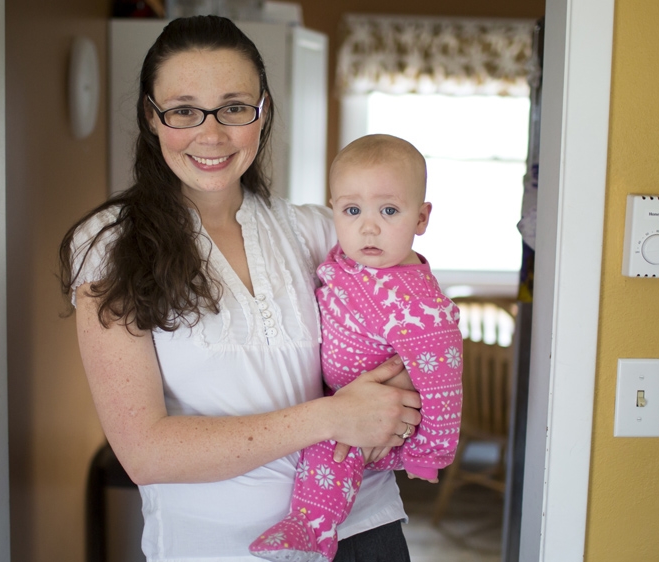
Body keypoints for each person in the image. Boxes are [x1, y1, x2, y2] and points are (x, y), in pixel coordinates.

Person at [58, 16, 423, 562]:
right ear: (150, 117)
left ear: (264, 112)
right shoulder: (110, 244)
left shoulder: (319, 230)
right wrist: (333, 416)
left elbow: (415, 321)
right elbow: (146, 453)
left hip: (363, 530)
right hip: (219, 548)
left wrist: (397, 397)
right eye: (183, 110)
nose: (212, 134)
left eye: (234, 107)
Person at [250, 135, 464, 562]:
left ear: (421, 218)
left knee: (331, 447)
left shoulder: (419, 305)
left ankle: (313, 529)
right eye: (352, 210)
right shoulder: (349, 261)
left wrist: (430, 453)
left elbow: (443, 380)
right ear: (334, 211)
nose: (369, 227)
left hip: (375, 420)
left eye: (389, 211)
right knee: (327, 432)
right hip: (342, 399)